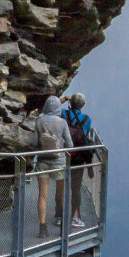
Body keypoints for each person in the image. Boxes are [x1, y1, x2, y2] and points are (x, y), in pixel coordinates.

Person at [33, 95, 71, 239]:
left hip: (43, 161)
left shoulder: (39, 121)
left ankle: (42, 228)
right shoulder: (62, 122)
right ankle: (63, 224)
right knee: (61, 194)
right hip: (59, 162)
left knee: (42, 195)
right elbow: (70, 144)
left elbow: (35, 143)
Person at [61, 92, 97, 227]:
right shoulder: (87, 119)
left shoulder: (64, 114)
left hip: (63, 154)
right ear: (83, 105)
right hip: (79, 157)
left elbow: (51, 106)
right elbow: (85, 135)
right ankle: (75, 217)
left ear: (71, 103)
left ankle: (59, 216)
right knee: (76, 188)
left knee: (61, 186)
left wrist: (66, 98)